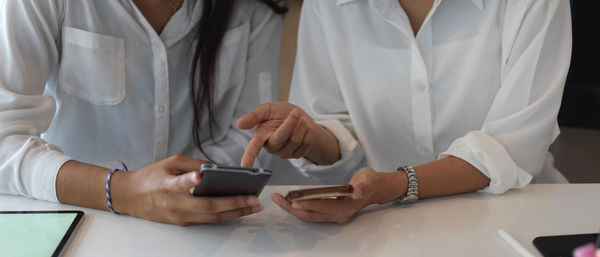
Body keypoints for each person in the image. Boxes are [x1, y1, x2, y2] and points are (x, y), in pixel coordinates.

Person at [238, 0, 572, 224]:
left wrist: (392, 185)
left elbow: (511, 149)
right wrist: (305, 137)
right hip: (378, 225)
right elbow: (336, 127)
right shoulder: (327, 5)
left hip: (515, 218)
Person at [0, 0, 285, 225]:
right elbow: (4, 142)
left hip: (202, 228)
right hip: (73, 216)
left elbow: (250, 139)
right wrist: (122, 191)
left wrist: (185, 188)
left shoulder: (255, 9)